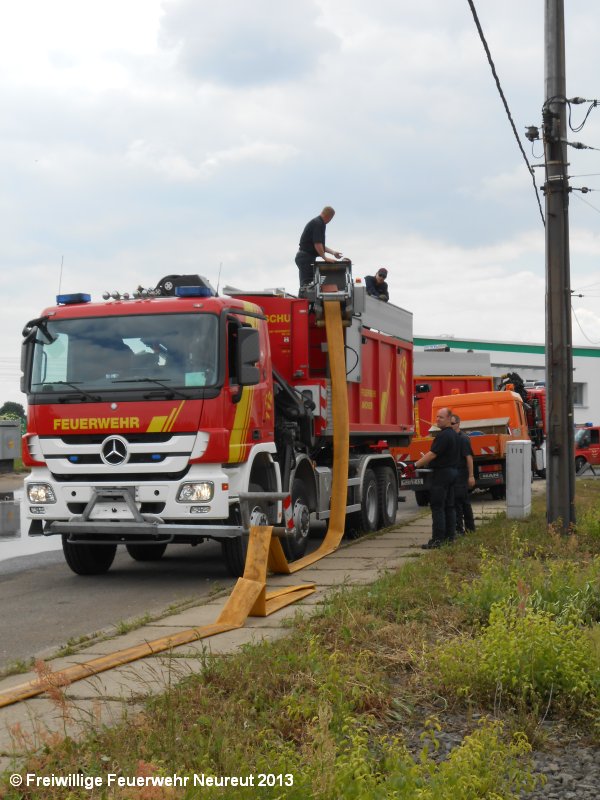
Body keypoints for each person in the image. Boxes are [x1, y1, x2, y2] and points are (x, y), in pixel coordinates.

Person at [415, 407, 460, 549]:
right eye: (437, 417)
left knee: (437, 506)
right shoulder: (454, 435)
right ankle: (450, 537)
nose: (437, 419)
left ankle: (438, 540)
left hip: (442, 475)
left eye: (441, 417)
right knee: (449, 506)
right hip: (452, 473)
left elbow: (432, 454)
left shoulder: (443, 435)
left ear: (449, 419)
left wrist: (415, 465)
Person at [295, 206, 343, 290]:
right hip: (305, 257)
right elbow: (317, 244)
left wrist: (333, 252)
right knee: (307, 285)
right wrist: (325, 258)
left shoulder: (318, 222)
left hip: (305, 257)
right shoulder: (318, 223)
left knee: (310, 283)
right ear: (330, 217)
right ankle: (305, 296)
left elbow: (320, 245)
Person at [451, 414, 476, 535]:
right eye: (449, 424)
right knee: (462, 501)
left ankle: (462, 529)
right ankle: (469, 529)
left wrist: (471, 476)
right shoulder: (452, 438)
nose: (450, 426)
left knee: (460, 502)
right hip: (454, 474)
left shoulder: (463, 439)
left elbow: (469, 458)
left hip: (461, 474)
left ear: (458, 424)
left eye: (452, 424)